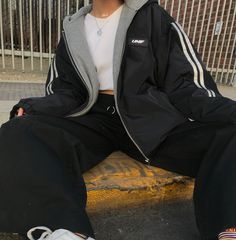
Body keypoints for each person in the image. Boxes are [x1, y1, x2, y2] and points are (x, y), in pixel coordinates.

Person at [0, 0, 236, 239]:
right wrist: (32, 107)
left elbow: (185, 85)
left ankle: (229, 229)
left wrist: (228, 111)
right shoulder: (72, 27)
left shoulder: (153, 17)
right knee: (19, 131)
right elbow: (66, 90)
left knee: (230, 134)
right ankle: (66, 231)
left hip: (149, 119)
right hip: (92, 117)